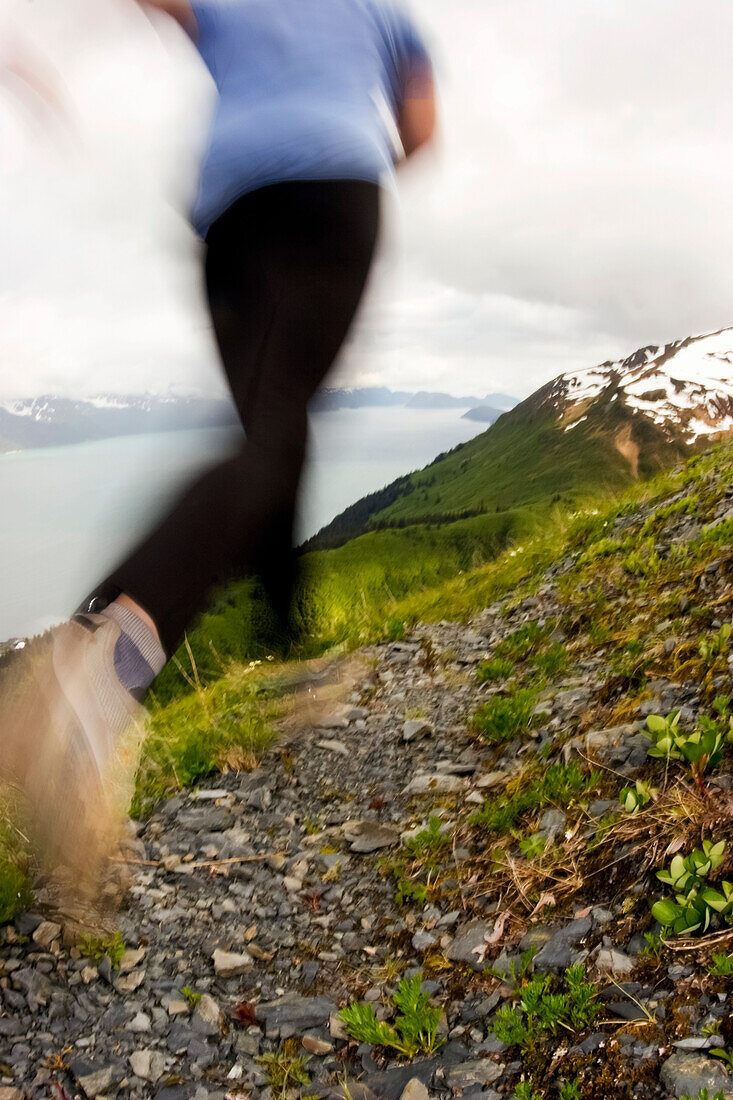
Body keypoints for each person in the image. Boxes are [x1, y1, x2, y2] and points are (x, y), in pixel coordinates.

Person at [0, 0, 436, 894]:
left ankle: (289, 654)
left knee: (273, 428)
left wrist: (39, 55)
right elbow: (421, 128)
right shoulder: (380, 11)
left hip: (228, 220)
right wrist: (354, 148)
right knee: (276, 428)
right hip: (330, 198)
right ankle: (107, 656)